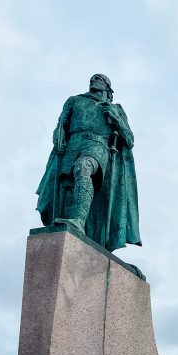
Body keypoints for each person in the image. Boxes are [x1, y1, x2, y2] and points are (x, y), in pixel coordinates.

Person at [37, 73, 141, 253]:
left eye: (99, 78)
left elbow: (129, 140)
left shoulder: (115, 108)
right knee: (68, 190)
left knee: (83, 168)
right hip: (73, 145)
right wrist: (58, 136)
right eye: (93, 78)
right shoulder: (75, 101)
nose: (93, 80)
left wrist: (116, 119)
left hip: (98, 145)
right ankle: (74, 222)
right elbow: (62, 124)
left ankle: (78, 220)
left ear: (108, 88)